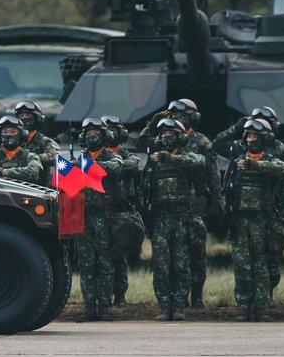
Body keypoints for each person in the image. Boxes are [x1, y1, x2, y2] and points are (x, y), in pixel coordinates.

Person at [223, 118, 284, 322]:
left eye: (255, 135)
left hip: (262, 220)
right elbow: (219, 144)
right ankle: (244, 307)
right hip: (240, 220)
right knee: (242, 265)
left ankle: (261, 309)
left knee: (261, 265)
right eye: (248, 135)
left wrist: (257, 165)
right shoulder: (238, 159)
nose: (251, 139)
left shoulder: (270, 159)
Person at [142, 118, 204, 321]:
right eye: (164, 133)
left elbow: (199, 161)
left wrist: (170, 159)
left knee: (180, 263)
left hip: (181, 218)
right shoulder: (153, 160)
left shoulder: (186, 157)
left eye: (170, 133)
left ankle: (179, 306)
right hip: (160, 218)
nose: (166, 136)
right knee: (161, 265)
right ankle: (164, 306)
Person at [75, 117, 123, 322]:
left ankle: (104, 307)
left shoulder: (113, 157)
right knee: (86, 264)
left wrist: (88, 166)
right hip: (83, 217)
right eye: (89, 133)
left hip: (104, 216)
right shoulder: (79, 159)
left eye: (96, 132)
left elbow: (113, 168)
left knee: (104, 263)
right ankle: (89, 308)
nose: (92, 136)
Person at [102, 115, 145, 305]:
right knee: (102, 257)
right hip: (100, 211)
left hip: (120, 212)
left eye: (113, 129)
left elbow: (133, 165)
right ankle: (102, 297)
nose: (110, 133)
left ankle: (119, 297)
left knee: (119, 257)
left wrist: (109, 165)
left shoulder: (125, 155)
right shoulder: (95, 155)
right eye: (106, 129)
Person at [0, 116, 43, 183]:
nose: (9, 135)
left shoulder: (31, 157)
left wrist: (3, 172)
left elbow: (33, 173)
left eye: (13, 131)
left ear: (21, 135)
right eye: (5, 132)